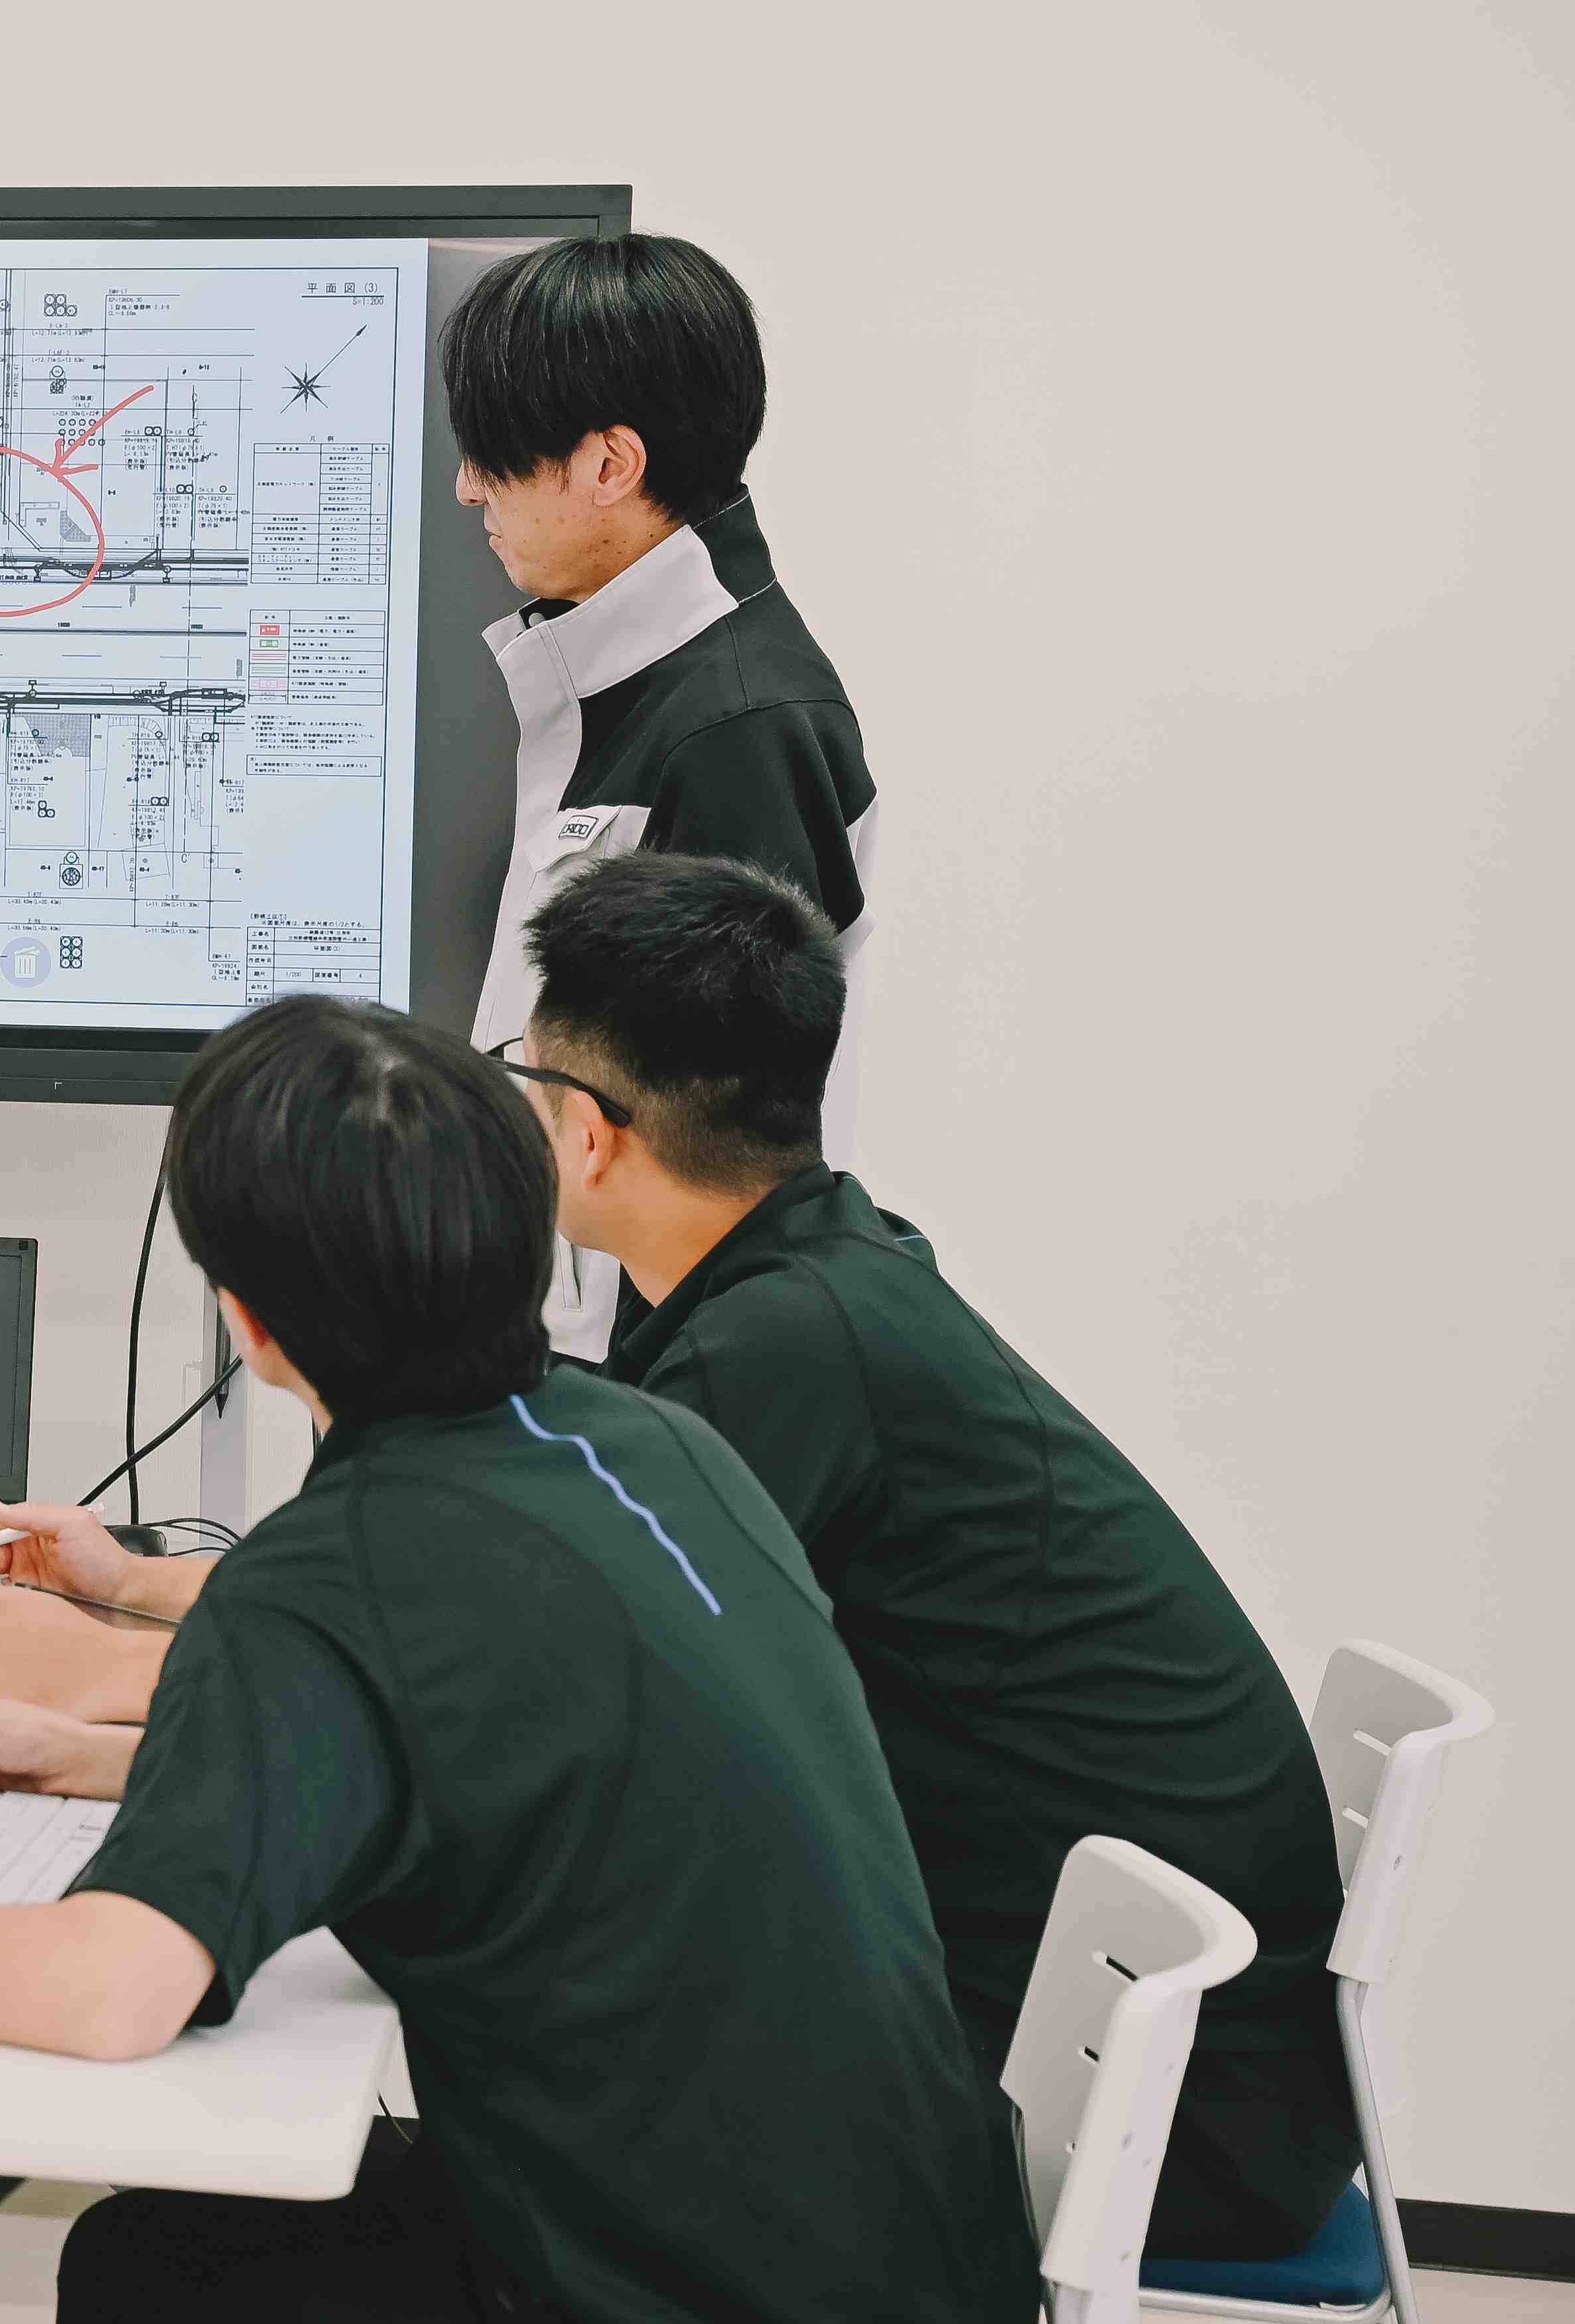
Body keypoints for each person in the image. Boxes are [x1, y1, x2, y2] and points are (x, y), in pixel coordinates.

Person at [0, 997, 1035, 2324]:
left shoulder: (335, 1573)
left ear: (252, 1325)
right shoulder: (651, 1446)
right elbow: (487, 1746)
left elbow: (112, 1993)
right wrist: (111, 1762)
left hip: (699, 2293)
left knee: (157, 2272)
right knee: (174, 2253)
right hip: (919, 2251)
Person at [512, 850, 1357, 2260]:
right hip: (1184, 2060)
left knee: (540, 2073)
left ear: (589, 1131)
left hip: (1147, 2111)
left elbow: (560, 1684)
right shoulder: (829, 1278)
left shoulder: (787, 1349)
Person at [446, 232, 876, 1351]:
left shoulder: (739, 726)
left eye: (494, 452)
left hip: (655, 1382)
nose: (470, 486)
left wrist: (635, 1415)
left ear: (610, 465)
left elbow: (714, 1174)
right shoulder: (639, 674)